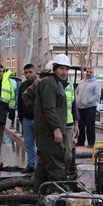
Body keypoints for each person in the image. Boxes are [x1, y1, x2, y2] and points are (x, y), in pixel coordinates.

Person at [33, 54, 71, 191]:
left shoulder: (55, 83)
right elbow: (49, 108)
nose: (64, 72)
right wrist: (56, 129)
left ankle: (39, 194)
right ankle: (57, 195)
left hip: (47, 132)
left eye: (66, 69)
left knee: (44, 165)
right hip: (49, 133)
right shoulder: (50, 83)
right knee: (56, 165)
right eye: (61, 68)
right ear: (55, 69)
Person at [17, 63, 38, 172]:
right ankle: (31, 165)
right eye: (26, 73)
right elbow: (19, 103)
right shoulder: (22, 86)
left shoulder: (40, 84)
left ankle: (41, 166)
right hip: (26, 119)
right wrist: (20, 118)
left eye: (30, 72)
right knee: (29, 143)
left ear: (35, 72)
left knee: (40, 144)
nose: (28, 74)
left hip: (38, 120)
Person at [75, 66, 102, 148]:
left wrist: (88, 101)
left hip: (90, 107)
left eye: (90, 72)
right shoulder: (81, 82)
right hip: (80, 107)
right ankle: (80, 141)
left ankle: (91, 143)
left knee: (90, 126)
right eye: (87, 72)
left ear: (93, 73)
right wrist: (77, 100)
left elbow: (97, 95)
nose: (88, 73)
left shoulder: (96, 83)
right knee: (80, 125)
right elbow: (76, 92)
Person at [63, 72, 79, 178]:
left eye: (66, 69)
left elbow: (73, 106)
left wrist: (76, 125)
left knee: (68, 154)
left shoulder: (70, 86)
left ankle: (64, 174)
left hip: (68, 124)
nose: (64, 72)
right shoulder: (52, 85)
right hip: (55, 125)